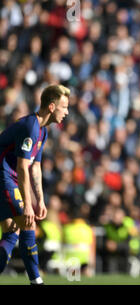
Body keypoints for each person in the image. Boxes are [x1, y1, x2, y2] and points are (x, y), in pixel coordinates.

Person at [0, 84, 70, 285]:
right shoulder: (30, 126)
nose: (66, 112)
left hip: (8, 177)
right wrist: (28, 205)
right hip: (4, 176)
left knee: (11, 233)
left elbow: (35, 168)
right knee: (27, 225)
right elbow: (22, 167)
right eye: (63, 107)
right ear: (51, 106)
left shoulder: (42, 131)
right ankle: (36, 281)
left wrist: (40, 201)